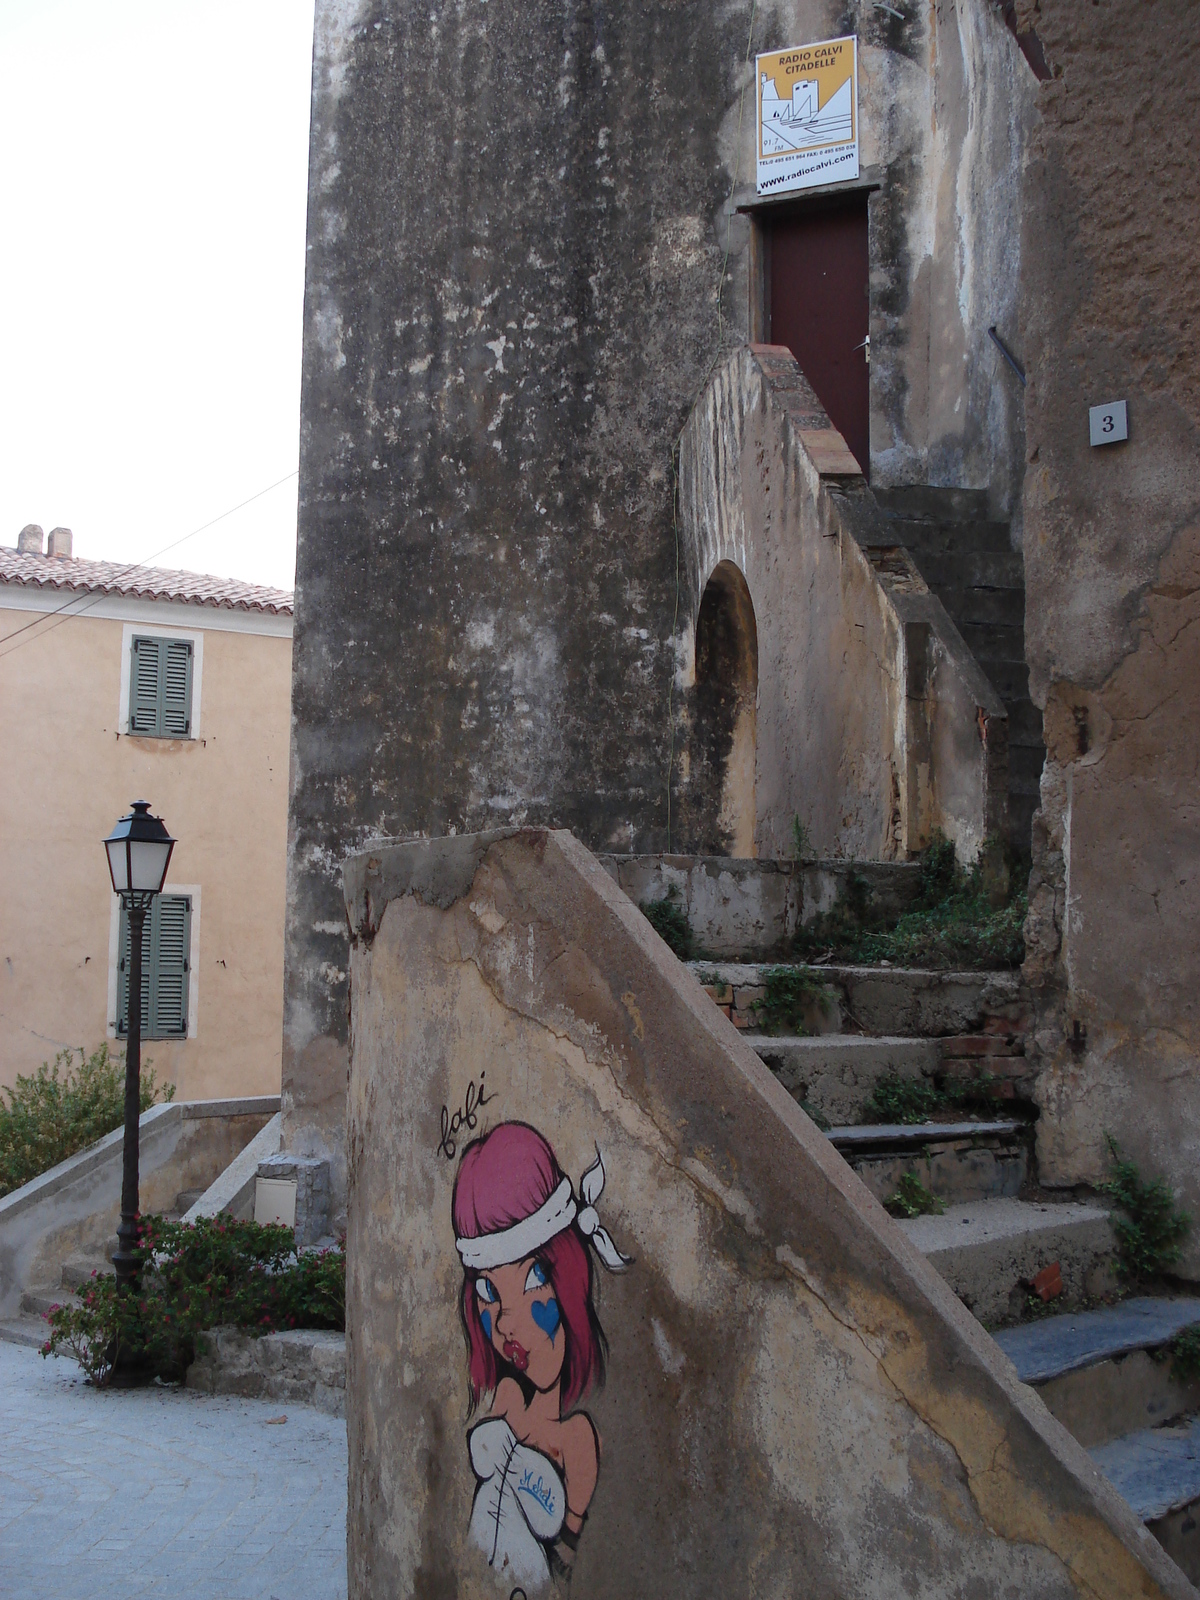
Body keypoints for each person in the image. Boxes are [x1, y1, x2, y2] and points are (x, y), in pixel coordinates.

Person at [452, 1121, 629, 1589]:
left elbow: (563, 1572)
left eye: (532, 1282)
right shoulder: (507, 1397)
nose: (506, 1323)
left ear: (568, 1279)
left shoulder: (576, 1441)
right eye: (489, 1291)